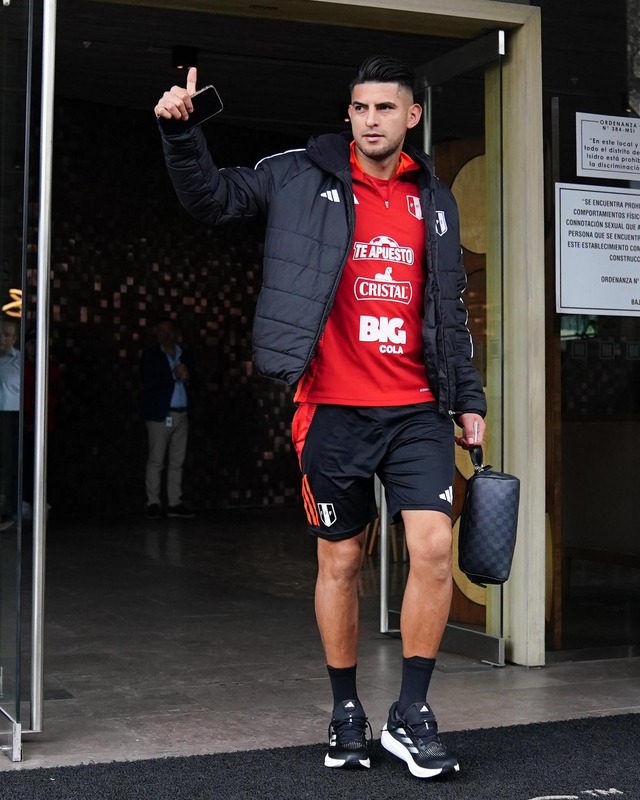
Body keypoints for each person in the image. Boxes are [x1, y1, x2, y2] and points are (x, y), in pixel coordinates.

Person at [154, 55, 486, 780]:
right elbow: (213, 199)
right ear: (349, 114)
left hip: (417, 409)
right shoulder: (299, 172)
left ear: (411, 117)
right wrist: (181, 134)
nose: (371, 120)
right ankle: (345, 711)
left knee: (432, 549)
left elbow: (448, 307)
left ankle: (413, 713)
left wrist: (469, 400)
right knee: (342, 558)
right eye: (360, 108)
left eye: (384, 109)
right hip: (332, 407)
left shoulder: (432, 196)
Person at [141, 318, 196, 519]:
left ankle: (174, 502)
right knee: (156, 459)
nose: (164, 334)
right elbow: (148, 380)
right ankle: (153, 502)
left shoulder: (184, 355)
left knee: (177, 461)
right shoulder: (152, 356)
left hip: (181, 414)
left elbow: (196, 381)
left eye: (168, 330)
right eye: (160, 330)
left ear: (175, 332)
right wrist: (173, 375)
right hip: (160, 415)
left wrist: (188, 377)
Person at [22, 327, 63, 518]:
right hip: (25, 426)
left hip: (45, 426)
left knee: (44, 464)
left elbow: (51, 398)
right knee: (25, 463)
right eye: (31, 344)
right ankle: (25, 501)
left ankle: (41, 500)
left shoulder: (51, 369)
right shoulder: (22, 368)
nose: (34, 348)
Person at [0, 317, 21, 530]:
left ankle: (7, 511)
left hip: (10, 415)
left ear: (14, 338)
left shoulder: (19, 361)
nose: (2, 339)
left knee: (8, 463)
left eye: (7, 334)